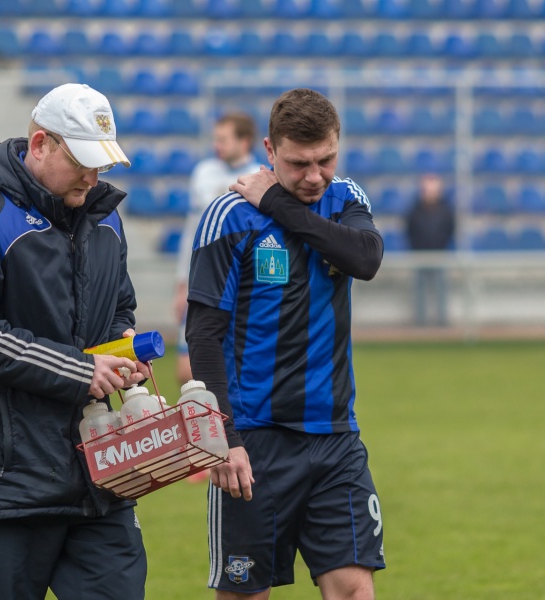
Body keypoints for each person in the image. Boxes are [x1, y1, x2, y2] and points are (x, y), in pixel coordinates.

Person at [0, 83, 150, 600]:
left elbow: (118, 307)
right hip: (3, 483)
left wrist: (123, 348)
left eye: (102, 164)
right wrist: (81, 371)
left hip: (100, 476)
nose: (93, 178)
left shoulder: (106, 216)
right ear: (41, 144)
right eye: (83, 162)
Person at [185, 88, 386, 599]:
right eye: (299, 164)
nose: (315, 176)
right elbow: (203, 335)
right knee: (245, 594)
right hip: (254, 439)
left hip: (335, 435)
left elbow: (365, 260)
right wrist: (222, 438)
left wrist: (277, 201)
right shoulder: (229, 216)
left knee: (354, 589)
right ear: (270, 151)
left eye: (326, 159)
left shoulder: (346, 198)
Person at [173, 112, 260, 385]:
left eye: (223, 139)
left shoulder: (260, 177)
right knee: (186, 372)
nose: (216, 145)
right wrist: (181, 284)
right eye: (216, 138)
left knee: (235, 366)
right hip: (202, 276)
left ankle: (226, 412)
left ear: (244, 142)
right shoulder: (204, 172)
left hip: (240, 282)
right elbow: (191, 230)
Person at [405, 172, 456, 327]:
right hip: (420, 255)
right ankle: (420, 322)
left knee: (441, 288)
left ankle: (442, 321)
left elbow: (451, 228)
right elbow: (409, 229)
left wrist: (442, 244)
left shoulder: (445, 209)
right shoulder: (415, 209)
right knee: (419, 289)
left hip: (439, 254)